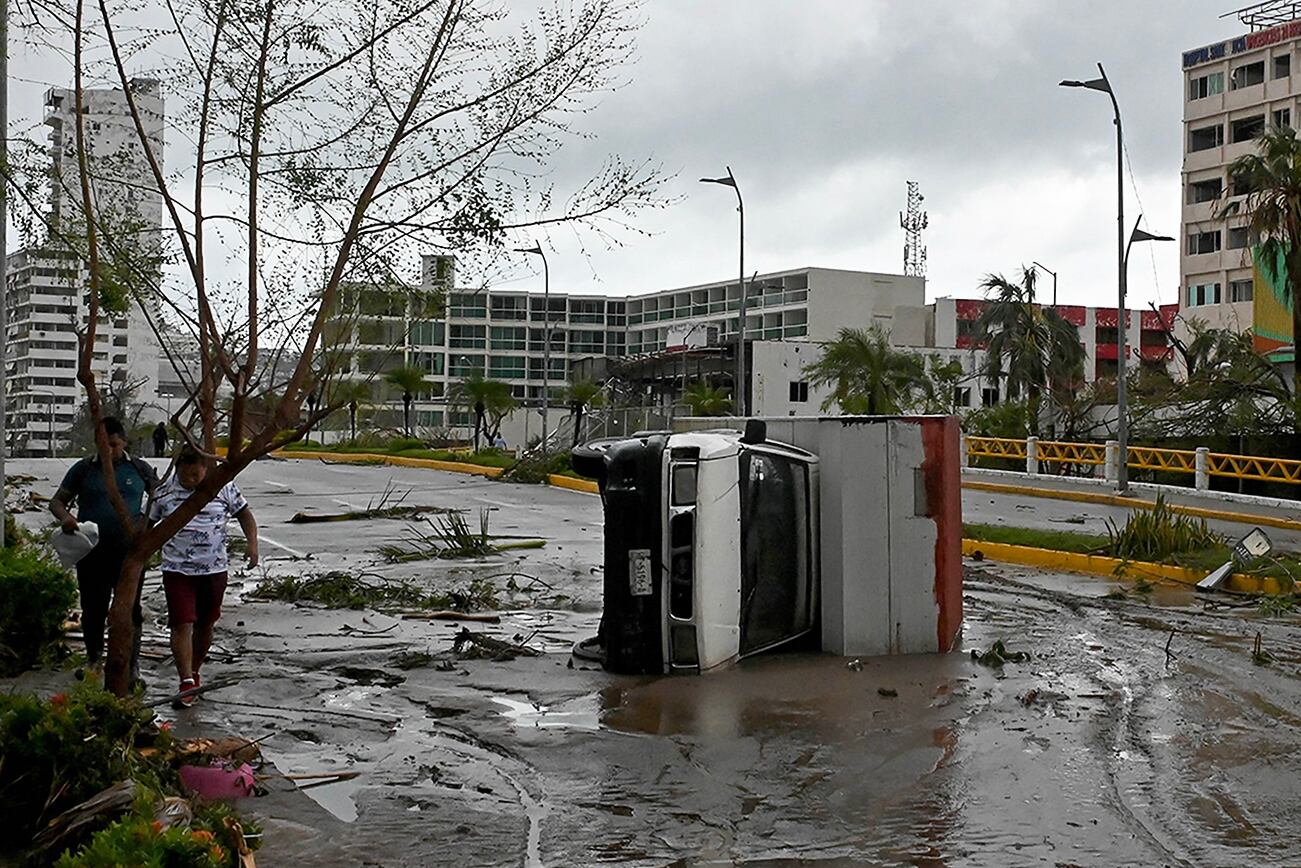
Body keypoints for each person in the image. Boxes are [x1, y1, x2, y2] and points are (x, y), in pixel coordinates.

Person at [49, 416, 159, 682]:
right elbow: (57, 502)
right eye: (102, 445)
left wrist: (146, 526)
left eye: (113, 444)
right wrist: (66, 519)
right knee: (93, 607)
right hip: (91, 550)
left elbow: (160, 499)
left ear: (123, 442)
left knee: (130, 609)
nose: (108, 450)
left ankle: (131, 667)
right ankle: (94, 659)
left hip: (128, 551)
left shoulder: (139, 469)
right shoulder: (84, 469)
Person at [148, 445, 258, 708]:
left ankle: (194, 670)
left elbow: (245, 515)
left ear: (205, 469)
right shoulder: (164, 492)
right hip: (177, 570)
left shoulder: (222, 486)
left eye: (196, 476)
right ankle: (185, 680)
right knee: (181, 623)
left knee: (205, 624)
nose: (192, 481)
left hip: (214, 568)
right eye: (186, 477)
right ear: (178, 470)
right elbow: (147, 524)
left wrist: (252, 544)